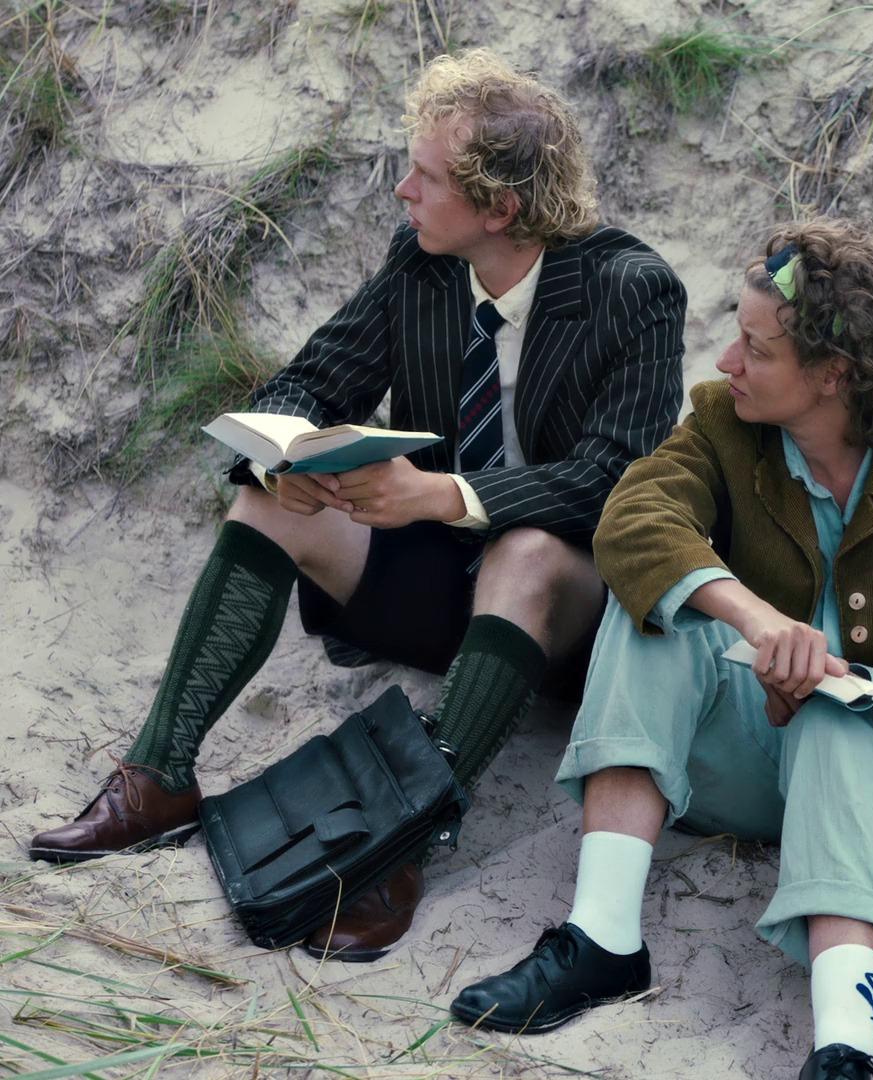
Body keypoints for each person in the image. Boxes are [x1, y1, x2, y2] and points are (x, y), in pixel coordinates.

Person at [27, 49, 687, 963]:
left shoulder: (632, 290)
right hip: (431, 593)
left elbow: (618, 482)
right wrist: (284, 457)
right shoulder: (423, 263)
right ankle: (160, 775)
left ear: (500, 208)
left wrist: (445, 494)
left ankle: (402, 845)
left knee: (527, 550)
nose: (403, 191)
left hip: (566, 622)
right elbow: (310, 378)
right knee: (268, 506)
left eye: (426, 176)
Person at [446, 219, 873, 1080]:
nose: (728, 361)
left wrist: (842, 679)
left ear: (833, 374)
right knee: (656, 608)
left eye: (757, 348)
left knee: (842, 714)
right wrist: (755, 622)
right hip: (765, 761)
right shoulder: (723, 424)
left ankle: (845, 1043)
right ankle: (602, 939)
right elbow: (634, 522)